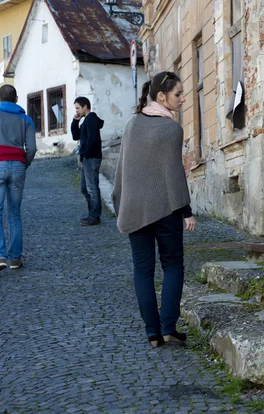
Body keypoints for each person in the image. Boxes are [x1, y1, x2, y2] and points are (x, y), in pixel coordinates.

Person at [112, 71, 196, 348]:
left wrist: (119, 202)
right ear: (162, 96)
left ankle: (152, 334)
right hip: (167, 209)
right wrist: (186, 211)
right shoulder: (172, 129)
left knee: (142, 270)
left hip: (135, 208)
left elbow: (122, 170)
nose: (183, 99)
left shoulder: (132, 124)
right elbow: (175, 174)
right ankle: (168, 327)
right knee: (173, 265)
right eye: (178, 94)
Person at [0, 85, 36, 273]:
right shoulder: (25, 119)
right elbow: (32, 148)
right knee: (14, 213)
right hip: (18, 166)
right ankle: (15, 259)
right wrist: (24, 163)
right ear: (16, 99)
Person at [71, 97, 104, 226]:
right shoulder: (86, 120)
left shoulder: (91, 120)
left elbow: (92, 140)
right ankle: (92, 213)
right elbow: (76, 136)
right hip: (87, 158)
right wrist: (75, 121)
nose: (77, 111)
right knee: (84, 188)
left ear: (85, 107)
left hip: (91, 158)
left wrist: (85, 155)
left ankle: (95, 216)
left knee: (92, 188)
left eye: (78, 108)